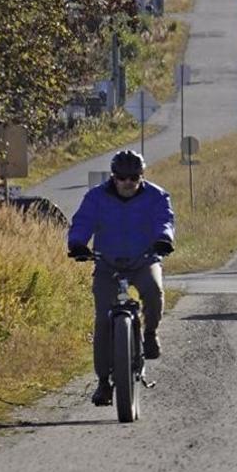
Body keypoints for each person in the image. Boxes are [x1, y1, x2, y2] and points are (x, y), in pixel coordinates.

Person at [67, 150, 175, 406]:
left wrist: (164, 240)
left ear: (142, 176)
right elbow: (82, 222)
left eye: (134, 177)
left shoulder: (156, 196)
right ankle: (104, 383)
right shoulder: (96, 197)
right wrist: (78, 244)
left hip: (144, 259)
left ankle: (150, 333)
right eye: (122, 177)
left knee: (153, 290)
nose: (128, 183)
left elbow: (165, 221)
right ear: (113, 177)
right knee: (103, 321)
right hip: (107, 264)